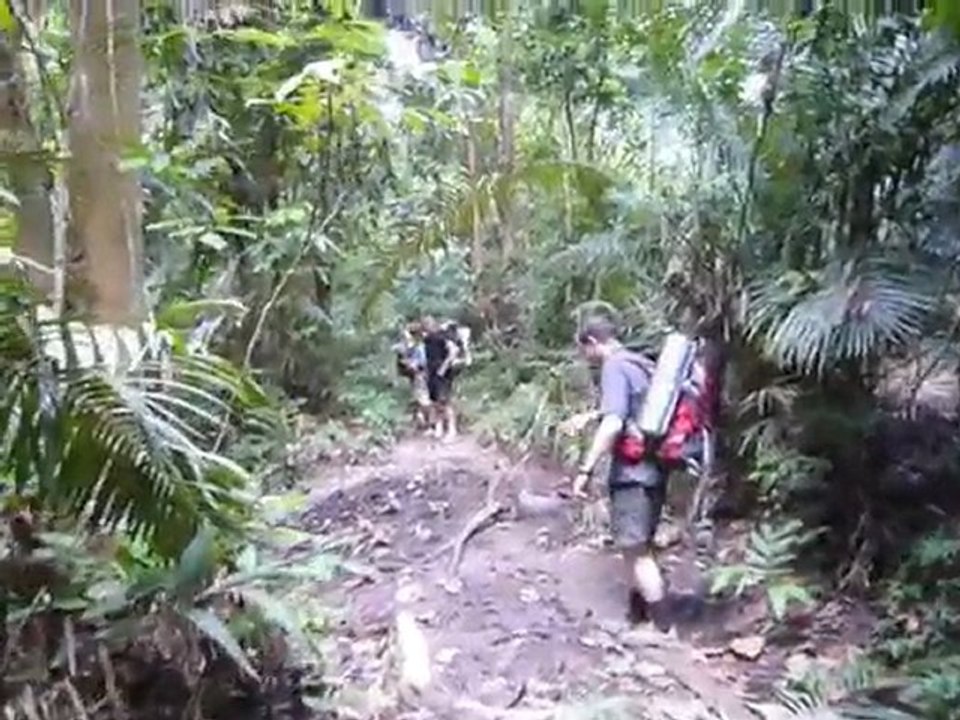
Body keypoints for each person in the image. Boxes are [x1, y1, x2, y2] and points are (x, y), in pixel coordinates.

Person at [560, 316, 671, 631]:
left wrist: (585, 469)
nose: (585, 358)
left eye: (584, 350)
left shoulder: (613, 367)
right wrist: (590, 416)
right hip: (655, 466)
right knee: (637, 545)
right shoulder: (641, 365)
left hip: (632, 473)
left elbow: (615, 422)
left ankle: (663, 630)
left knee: (636, 552)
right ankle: (636, 618)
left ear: (593, 342)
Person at [422, 315, 462, 440]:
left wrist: (443, 367)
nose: (426, 327)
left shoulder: (442, 337)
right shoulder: (428, 339)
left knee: (445, 401)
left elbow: (454, 351)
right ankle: (438, 429)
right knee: (435, 402)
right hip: (432, 373)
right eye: (425, 324)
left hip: (442, 374)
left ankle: (452, 430)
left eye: (428, 324)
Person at [394, 322, 430, 429]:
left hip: (420, 374)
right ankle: (423, 420)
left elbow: (422, 362)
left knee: (423, 398)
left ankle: (430, 422)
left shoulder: (420, 347)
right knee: (419, 397)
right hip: (415, 375)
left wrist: (411, 364)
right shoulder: (411, 346)